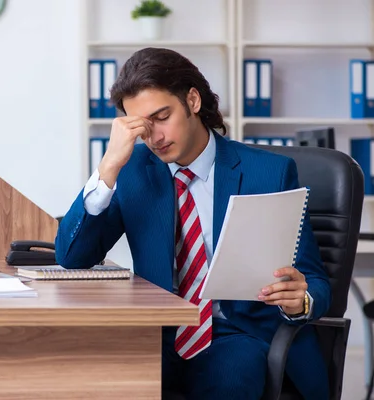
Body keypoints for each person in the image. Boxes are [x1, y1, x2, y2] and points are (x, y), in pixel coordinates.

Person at [54, 47, 331, 400]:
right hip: (157, 331)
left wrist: (301, 299)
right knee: (99, 374)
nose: (154, 137)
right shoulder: (132, 171)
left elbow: (315, 280)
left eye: (162, 116)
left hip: (236, 332)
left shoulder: (270, 173)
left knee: (230, 376)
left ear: (193, 100)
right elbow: (72, 255)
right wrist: (107, 167)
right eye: (141, 127)